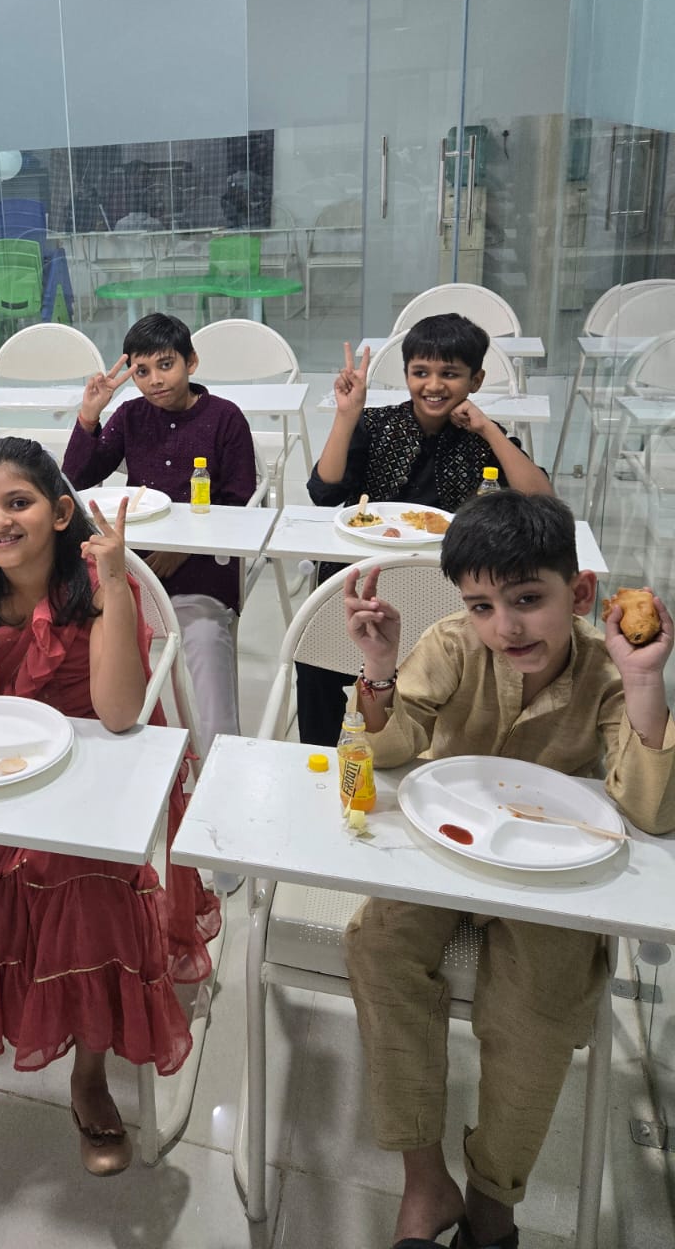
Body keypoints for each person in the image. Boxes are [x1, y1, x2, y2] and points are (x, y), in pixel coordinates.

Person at [0, 440, 220, 1176]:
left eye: (18, 503)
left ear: (61, 513)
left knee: (86, 894)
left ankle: (89, 1080)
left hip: (84, 777)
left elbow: (119, 713)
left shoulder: (92, 585)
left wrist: (118, 582)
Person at [341, 492, 675, 1249]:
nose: (506, 627)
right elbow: (385, 753)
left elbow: (652, 812)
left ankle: (494, 1195)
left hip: (549, 867)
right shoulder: (454, 645)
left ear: (579, 592)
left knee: (544, 1001)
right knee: (376, 945)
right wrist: (380, 671)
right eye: (482, 606)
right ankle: (424, 1179)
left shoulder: (605, 672)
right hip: (444, 849)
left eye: (528, 600)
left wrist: (645, 681)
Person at [298, 314, 552, 746]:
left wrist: (489, 430)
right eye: (421, 372)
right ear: (406, 375)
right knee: (316, 659)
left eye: (450, 374)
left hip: (447, 587)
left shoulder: (480, 437)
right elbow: (323, 492)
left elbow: (542, 501)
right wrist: (347, 414)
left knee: (448, 683)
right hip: (363, 576)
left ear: (476, 380)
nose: (433, 385)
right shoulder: (376, 425)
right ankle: (315, 760)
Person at [63, 312, 257, 758]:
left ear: (191, 361)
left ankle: (224, 758)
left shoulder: (225, 418)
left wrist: (180, 552)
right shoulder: (130, 415)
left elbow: (237, 505)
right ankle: (99, 750)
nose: (154, 380)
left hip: (202, 571)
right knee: (73, 635)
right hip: (131, 571)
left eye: (165, 365)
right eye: (142, 371)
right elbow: (76, 481)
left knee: (205, 642)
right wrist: (89, 416)